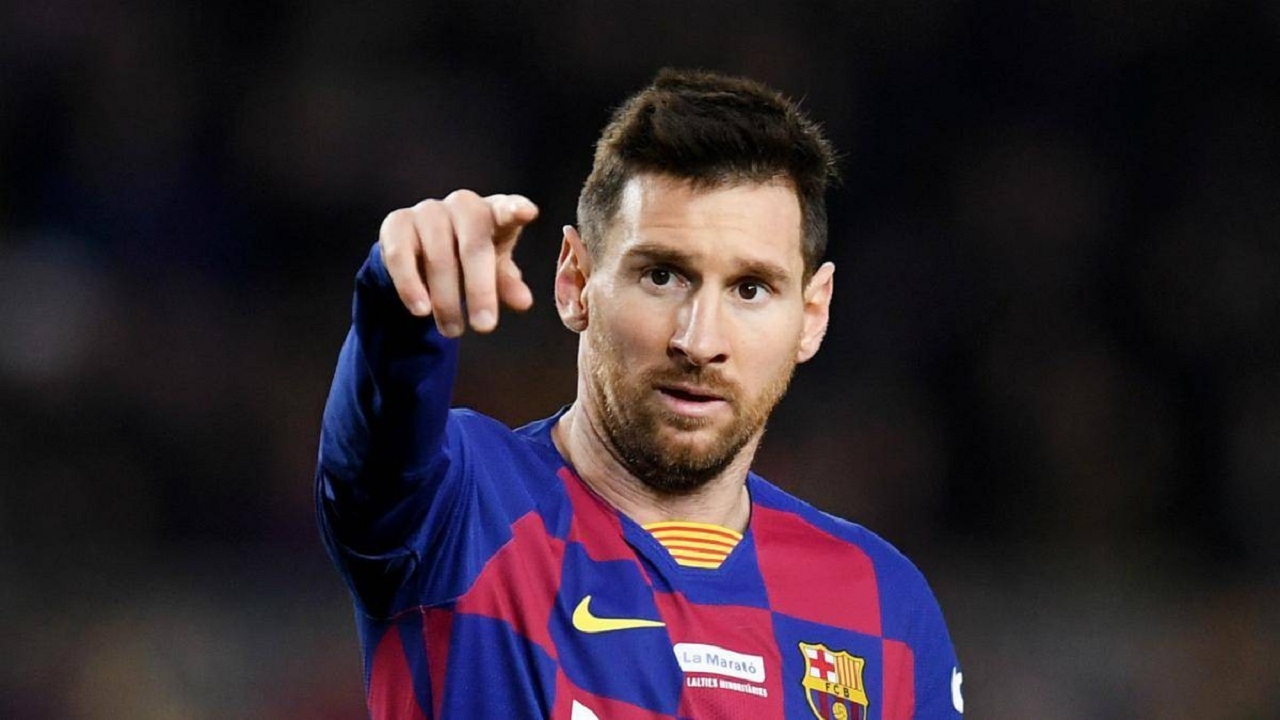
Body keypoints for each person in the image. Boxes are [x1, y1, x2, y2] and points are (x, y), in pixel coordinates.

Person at [317, 68, 963, 720]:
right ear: (575, 282)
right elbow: (373, 455)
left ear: (812, 314)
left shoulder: (884, 607)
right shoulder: (462, 511)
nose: (700, 340)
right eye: (662, 275)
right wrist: (399, 305)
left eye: (750, 289)